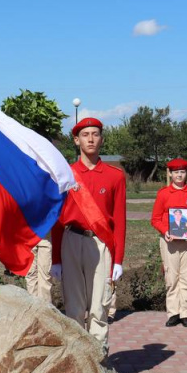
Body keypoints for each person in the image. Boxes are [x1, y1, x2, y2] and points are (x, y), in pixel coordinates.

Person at [50, 118, 126, 350]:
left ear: (102, 139)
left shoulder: (115, 176)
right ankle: (77, 359)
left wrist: (119, 259)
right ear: (76, 140)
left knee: (99, 307)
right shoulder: (66, 174)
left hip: (101, 244)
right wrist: (56, 259)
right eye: (85, 134)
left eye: (95, 134)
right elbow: (57, 219)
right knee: (73, 307)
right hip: (71, 241)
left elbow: (120, 221)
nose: (91, 138)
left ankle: (99, 360)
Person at [151, 158, 187, 327]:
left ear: (186, 173)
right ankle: (173, 312)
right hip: (169, 241)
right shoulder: (163, 194)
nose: (179, 175)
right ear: (170, 174)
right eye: (176, 172)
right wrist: (165, 231)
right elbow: (155, 218)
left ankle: (186, 313)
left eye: (182, 172)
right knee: (171, 276)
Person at [25, 239, 55, 303]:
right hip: (28, 237)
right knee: (30, 274)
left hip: (45, 238)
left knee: (45, 275)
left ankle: (45, 308)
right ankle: (32, 307)